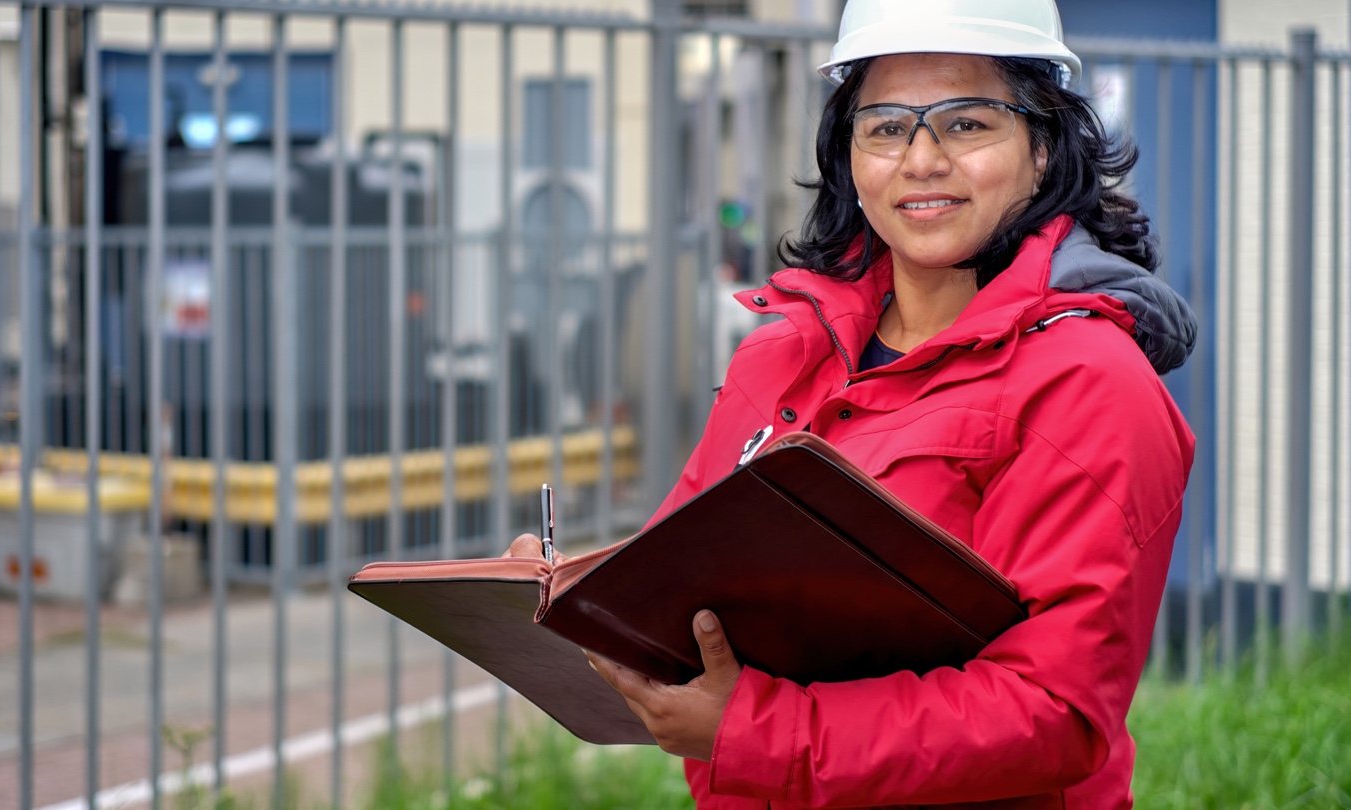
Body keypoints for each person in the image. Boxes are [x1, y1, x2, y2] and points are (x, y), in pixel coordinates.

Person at [512, 0, 1196, 806]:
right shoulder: (784, 355)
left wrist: (757, 730)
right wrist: (577, 597)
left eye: (969, 124)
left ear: (1044, 150)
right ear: (848, 155)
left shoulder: (1086, 382)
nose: (922, 159)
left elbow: (1054, 710)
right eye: (885, 127)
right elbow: (685, 570)